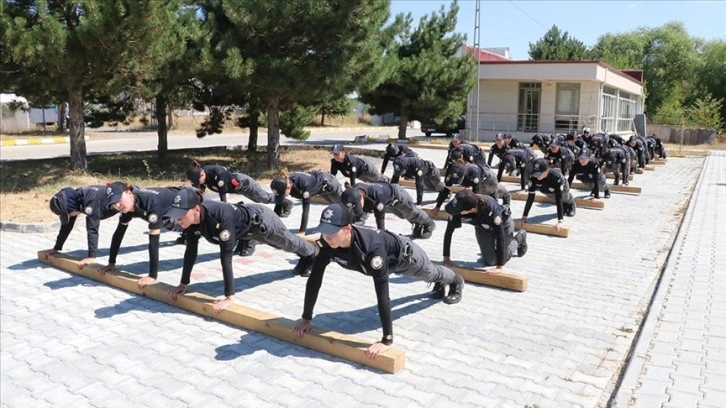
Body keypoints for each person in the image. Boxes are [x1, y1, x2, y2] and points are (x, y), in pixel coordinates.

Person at [292, 203, 464, 359]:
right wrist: (306, 318)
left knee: (431, 274)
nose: (326, 236)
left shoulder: (371, 250)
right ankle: (441, 282)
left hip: (406, 258)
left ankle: (456, 280)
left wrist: (386, 340)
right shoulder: (327, 244)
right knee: (433, 276)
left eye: (331, 232)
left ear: (347, 229)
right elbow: (315, 279)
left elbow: (383, 295)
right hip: (387, 257)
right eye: (324, 230)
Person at [164, 188, 320, 313]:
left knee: (287, 243)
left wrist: (229, 297)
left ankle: (313, 254)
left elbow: (226, 257)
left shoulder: (218, 217)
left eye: (181, 214)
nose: (177, 219)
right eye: (176, 214)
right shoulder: (191, 224)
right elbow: (191, 252)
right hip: (247, 230)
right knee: (280, 246)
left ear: (196, 210)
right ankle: (306, 256)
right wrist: (183, 284)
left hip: (262, 220)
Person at [100, 182, 182, 287]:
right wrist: (111, 263)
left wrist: (152, 276)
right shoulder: (127, 208)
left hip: (184, 201)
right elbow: (119, 233)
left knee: (193, 230)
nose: (117, 205)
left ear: (129, 193)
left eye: (119, 200)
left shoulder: (150, 201)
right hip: (167, 213)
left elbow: (154, 242)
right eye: (113, 203)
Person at [442, 190, 527, 274]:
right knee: (491, 261)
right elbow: (449, 232)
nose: (455, 212)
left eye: (458, 211)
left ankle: (520, 237)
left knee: (502, 258)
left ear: (471, 210)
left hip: (504, 226)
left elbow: (500, 237)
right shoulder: (458, 207)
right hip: (482, 227)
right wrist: (446, 257)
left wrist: (500, 267)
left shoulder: (490, 209)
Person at [186, 160, 292, 217]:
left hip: (245, 184)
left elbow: (223, 199)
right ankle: (282, 201)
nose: (197, 184)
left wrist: (224, 213)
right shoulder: (202, 176)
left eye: (197, 181)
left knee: (265, 198)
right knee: (258, 199)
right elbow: (199, 192)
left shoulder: (219, 175)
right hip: (238, 189)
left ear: (202, 174)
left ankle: (285, 202)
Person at [45, 185, 119, 266]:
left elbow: (92, 229)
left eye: (68, 214)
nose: (69, 216)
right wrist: (56, 248)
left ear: (72, 207)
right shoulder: (75, 199)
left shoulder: (90, 202)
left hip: (121, 202)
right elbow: (67, 226)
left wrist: (91, 256)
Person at [341, 182, 437, 239]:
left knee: (412, 213)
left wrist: (381, 237)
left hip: (398, 196)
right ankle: (418, 224)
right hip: (388, 201)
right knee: (402, 216)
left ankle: (430, 224)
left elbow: (380, 221)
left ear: (361, 195)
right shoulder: (353, 192)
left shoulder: (377, 197)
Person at [270, 169, 342, 236]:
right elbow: (278, 203)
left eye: (282, 194)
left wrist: (302, 232)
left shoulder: (304, 186)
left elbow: (306, 210)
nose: (283, 196)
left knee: (343, 205)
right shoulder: (284, 182)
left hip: (330, 183)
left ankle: (351, 222)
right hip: (320, 188)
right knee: (334, 204)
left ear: (288, 187)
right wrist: (273, 227)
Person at [518, 158, 576, 232]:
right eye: (535, 173)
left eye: (539, 174)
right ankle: (564, 206)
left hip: (561, 185)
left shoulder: (556, 178)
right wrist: (524, 217)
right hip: (545, 188)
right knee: (553, 198)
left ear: (547, 170)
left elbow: (559, 200)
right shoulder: (533, 177)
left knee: (564, 198)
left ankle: (571, 203)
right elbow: (530, 198)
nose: (537, 176)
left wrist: (560, 221)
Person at [432, 161, 508, 215]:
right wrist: (437, 206)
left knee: (488, 196)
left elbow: (476, 195)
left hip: (488, 179)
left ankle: (500, 204)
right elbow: (446, 189)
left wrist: (470, 211)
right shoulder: (452, 172)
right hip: (471, 180)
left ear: (464, 174)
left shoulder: (474, 174)